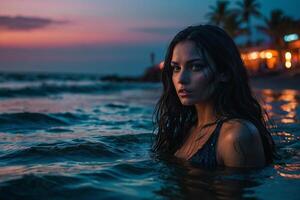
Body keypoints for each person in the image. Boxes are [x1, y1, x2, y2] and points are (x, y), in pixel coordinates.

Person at [152, 25, 276, 168]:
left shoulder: (236, 135)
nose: (181, 79)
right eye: (176, 68)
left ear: (224, 73)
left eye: (196, 67)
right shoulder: (182, 129)